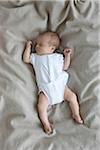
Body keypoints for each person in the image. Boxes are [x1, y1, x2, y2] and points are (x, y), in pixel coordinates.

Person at [23, 31, 83, 135]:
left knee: (72, 97)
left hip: (60, 86)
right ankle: (46, 123)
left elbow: (65, 67)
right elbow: (25, 59)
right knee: (41, 106)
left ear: (51, 48)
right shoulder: (35, 57)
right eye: (36, 44)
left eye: (40, 45)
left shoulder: (58, 57)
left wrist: (67, 56)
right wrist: (28, 47)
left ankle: (76, 114)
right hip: (45, 89)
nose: (36, 46)